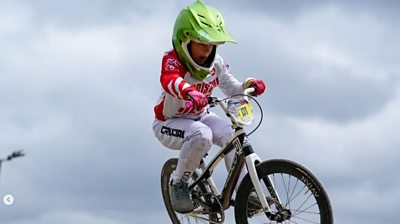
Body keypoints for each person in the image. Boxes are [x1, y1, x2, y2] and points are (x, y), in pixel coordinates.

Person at [152, 0, 266, 213]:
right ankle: (178, 183)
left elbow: (233, 88)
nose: (208, 50)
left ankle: (245, 191)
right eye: (202, 44)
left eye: (212, 44)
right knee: (202, 135)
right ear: (185, 41)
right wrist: (188, 91)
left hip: (200, 116)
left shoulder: (217, 64)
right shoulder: (172, 60)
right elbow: (169, 79)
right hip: (168, 122)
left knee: (231, 135)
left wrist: (249, 85)